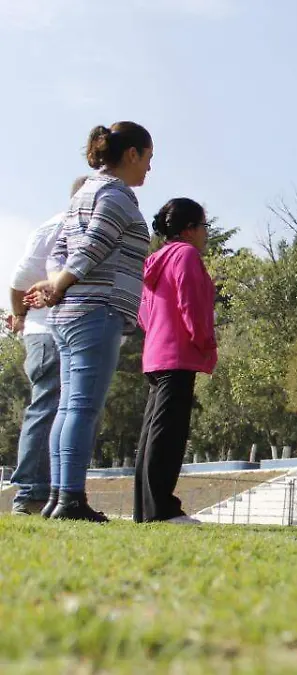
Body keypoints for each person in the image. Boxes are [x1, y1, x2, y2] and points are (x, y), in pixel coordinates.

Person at [27, 122, 154, 522]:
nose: (149, 169)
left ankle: (58, 497)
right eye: (148, 159)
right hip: (96, 310)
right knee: (83, 409)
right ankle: (70, 499)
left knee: (67, 408)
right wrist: (62, 282)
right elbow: (96, 243)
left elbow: (61, 248)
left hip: (67, 312)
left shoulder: (84, 192)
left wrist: (55, 284)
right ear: (131, 154)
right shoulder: (117, 194)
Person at [133, 198, 217, 525]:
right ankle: (162, 510)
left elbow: (143, 312)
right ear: (190, 229)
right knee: (169, 434)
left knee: (153, 433)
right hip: (178, 353)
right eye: (204, 227)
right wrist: (205, 340)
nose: (206, 234)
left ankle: (147, 509)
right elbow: (191, 302)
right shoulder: (186, 255)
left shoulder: (155, 260)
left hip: (155, 353)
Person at [6, 177, 87, 515]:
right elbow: (19, 280)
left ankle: (53, 492)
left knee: (63, 409)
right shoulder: (56, 227)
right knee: (48, 406)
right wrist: (21, 316)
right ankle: (30, 492)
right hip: (46, 332)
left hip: (68, 329)